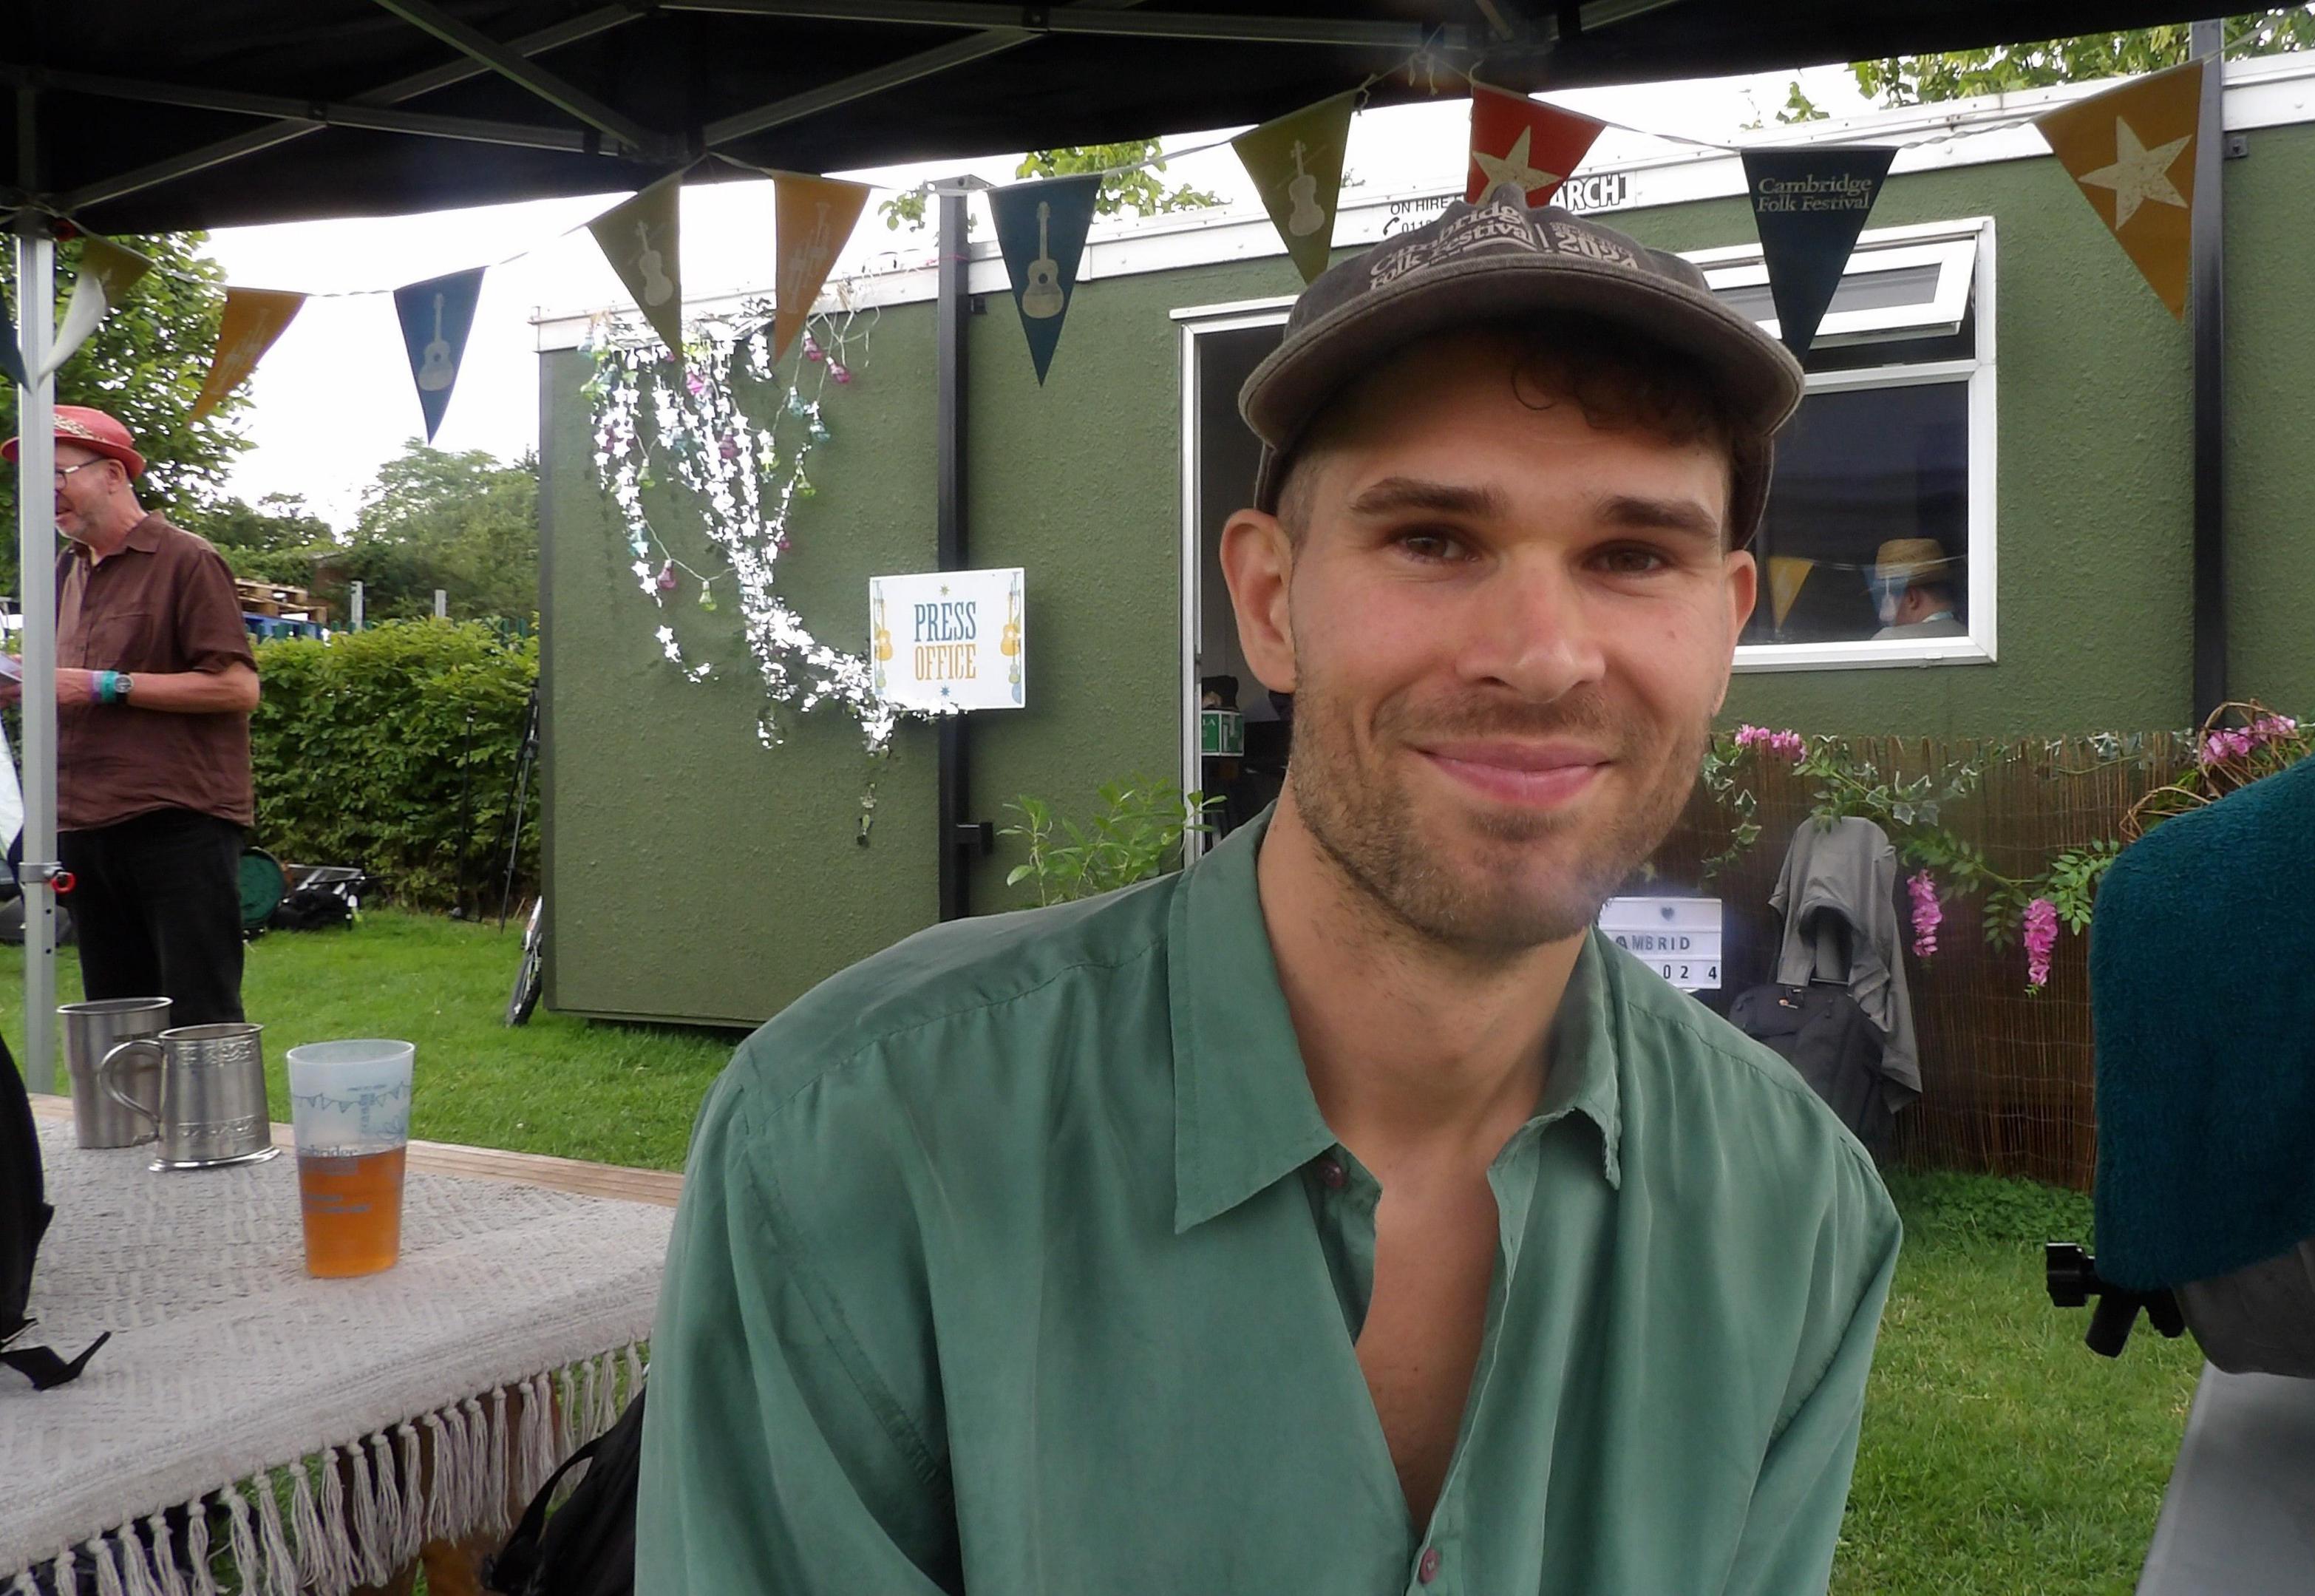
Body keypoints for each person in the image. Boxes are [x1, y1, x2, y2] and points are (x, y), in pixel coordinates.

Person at [639, 186, 1904, 1595]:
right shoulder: (855, 1143)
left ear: (1726, 628)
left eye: (1631, 556)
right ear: (1269, 600)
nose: (1542, 656)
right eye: (1432, 537)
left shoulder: (1796, 1210)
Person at [0, 407, 259, 1025]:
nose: (47, 493)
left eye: (59, 475)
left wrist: (103, 686)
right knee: (116, 1014)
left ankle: (209, 1126)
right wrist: (18, 680)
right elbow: (63, 683)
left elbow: (237, 688)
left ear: (114, 474)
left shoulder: (187, 560)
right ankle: (133, 1126)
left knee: (199, 1011)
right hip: (85, 824)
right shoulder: (62, 573)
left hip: (176, 824)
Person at [1867, 537, 1967, 641]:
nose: (1883, 616)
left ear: (1912, 598)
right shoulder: (1972, 637)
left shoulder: (1889, 641)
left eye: (1886, 602)